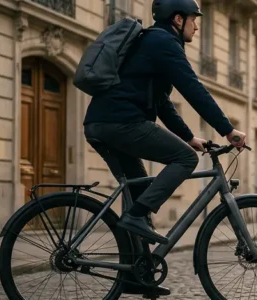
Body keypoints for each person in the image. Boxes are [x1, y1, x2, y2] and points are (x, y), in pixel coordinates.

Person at [83, 0, 246, 295]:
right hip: (122, 122)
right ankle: (135, 217)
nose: (197, 26)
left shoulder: (154, 41)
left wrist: (189, 136)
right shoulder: (164, 43)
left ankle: (137, 276)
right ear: (178, 19)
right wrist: (228, 130)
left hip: (102, 123)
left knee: (139, 194)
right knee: (184, 160)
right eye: (194, 20)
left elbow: (162, 103)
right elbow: (193, 89)